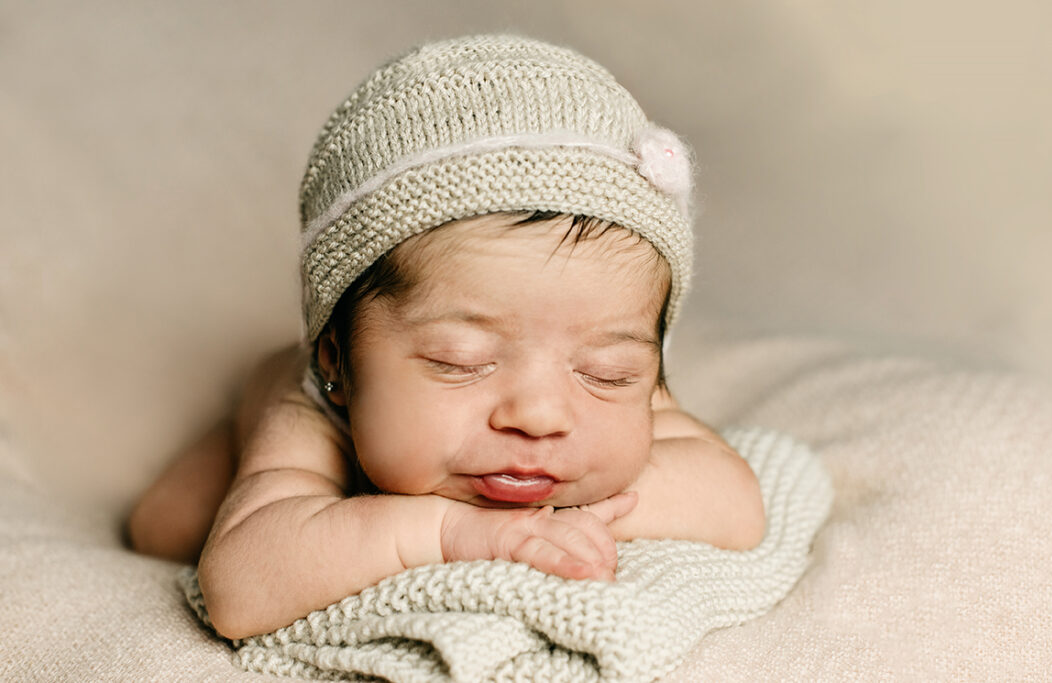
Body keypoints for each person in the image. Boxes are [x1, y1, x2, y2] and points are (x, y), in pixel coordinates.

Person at [127, 34, 765, 640]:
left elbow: (735, 503)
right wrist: (451, 533)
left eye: (607, 372)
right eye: (461, 361)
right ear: (339, 361)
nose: (540, 415)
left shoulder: (611, 380)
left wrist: (556, 520)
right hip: (269, 411)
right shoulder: (310, 406)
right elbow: (239, 590)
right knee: (166, 525)